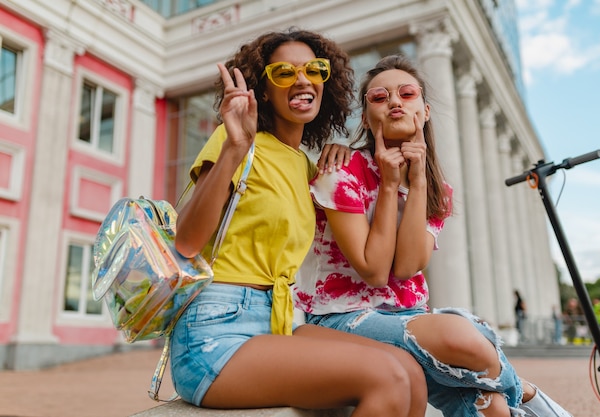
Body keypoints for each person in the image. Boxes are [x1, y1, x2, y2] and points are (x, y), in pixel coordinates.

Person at [295, 55, 572, 417]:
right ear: (364, 118)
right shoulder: (342, 169)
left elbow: (408, 266)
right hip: (340, 317)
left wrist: (418, 181)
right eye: (379, 98)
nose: (394, 101)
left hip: (409, 314)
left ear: (424, 111)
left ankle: (513, 399)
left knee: (492, 408)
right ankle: (530, 394)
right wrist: (390, 184)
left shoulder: (437, 189)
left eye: (406, 94)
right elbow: (375, 272)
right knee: (462, 338)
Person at [170, 29, 427, 416]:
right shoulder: (238, 140)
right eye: (284, 74)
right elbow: (187, 242)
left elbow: (373, 253)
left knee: (411, 370)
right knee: (386, 376)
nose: (303, 80)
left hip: (280, 323)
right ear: (264, 90)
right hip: (216, 330)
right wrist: (234, 149)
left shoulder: (309, 165)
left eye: (314, 70)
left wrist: (348, 154)